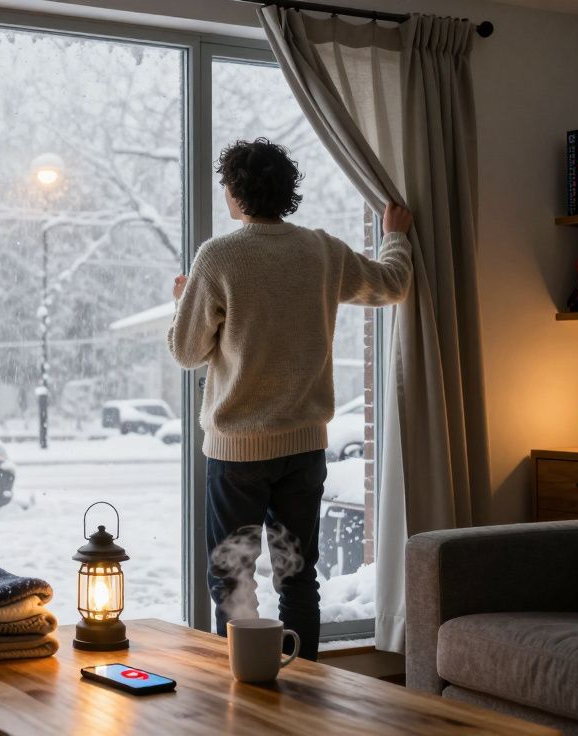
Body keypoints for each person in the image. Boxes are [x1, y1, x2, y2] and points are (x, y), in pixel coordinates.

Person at [168, 138, 413, 660]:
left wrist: (182, 303)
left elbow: (187, 352)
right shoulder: (321, 250)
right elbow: (392, 285)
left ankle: (248, 694)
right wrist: (395, 237)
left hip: (237, 457)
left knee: (234, 581)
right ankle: (304, 686)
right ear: (287, 191)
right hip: (303, 452)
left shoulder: (219, 256)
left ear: (236, 194)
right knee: (298, 579)